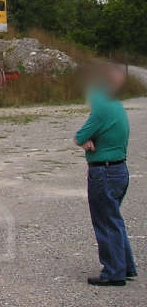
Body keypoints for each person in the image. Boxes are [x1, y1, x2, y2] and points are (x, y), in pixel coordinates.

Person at [74, 65, 137, 286]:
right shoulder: (116, 105)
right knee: (114, 220)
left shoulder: (101, 108)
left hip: (104, 172)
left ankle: (113, 272)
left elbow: (80, 135)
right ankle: (125, 265)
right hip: (119, 170)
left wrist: (85, 140)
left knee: (105, 222)